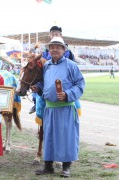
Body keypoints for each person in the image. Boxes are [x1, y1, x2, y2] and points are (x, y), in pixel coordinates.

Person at [33, 37, 85, 177]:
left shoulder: (71, 65)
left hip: (66, 108)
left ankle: (66, 167)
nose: (55, 49)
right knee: (48, 136)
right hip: (50, 108)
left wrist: (67, 94)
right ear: (49, 50)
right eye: (52, 47)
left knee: (66, 137)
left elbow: (80, 84)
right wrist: (37, 87)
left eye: (58, 47)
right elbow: (45, 84)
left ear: (64, 50)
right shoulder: (47, 66)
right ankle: (48, 166)